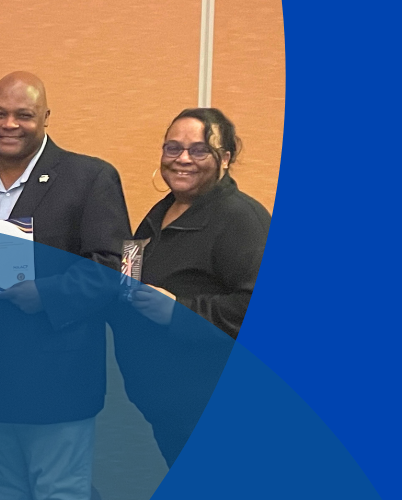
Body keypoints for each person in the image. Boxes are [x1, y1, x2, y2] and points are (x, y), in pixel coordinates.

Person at [0, 72, 129, 500]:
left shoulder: (90, 178)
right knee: (0, 490)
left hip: (56, 380)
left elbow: (111, 270)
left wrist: (46, 294)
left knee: (60, 491)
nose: (9, 124)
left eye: (23, 115)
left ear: (46, 118)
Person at [110, 108, 268, 466]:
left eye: (199, 150)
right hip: (164, 406)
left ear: (224, 158)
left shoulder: (241, 219)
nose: (183, 159)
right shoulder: (160, 212)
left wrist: (178, 311)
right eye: (173, 148)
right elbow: (130, 279)